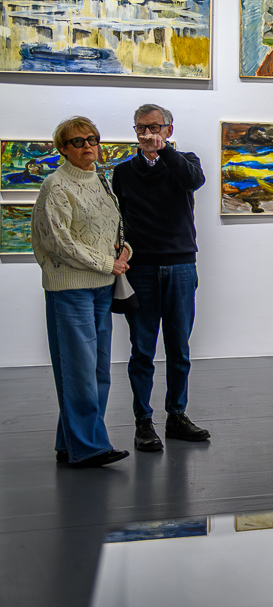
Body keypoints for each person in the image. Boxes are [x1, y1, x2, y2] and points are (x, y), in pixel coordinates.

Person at [31, 117, 131, 468]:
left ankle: (72, 442)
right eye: (78, 141)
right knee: (78, 371)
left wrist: (123, 252)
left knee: (98, 370)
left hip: (102, 286)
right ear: (62, 148)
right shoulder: (55, 186)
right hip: (71, 289)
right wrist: (107, 263)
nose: (88, 145)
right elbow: (58, 242)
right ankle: (89, 447)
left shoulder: (100, 180)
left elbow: (112, 228)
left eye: (92, 139)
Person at [111, 104, 210, 451]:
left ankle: (177, 415)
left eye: (154, 127)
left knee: (179, 348)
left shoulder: (185, 162)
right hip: (141, 269)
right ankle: (143, 421)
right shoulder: (123, 172)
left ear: (169, 129)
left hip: (180, 266)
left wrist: (164, 152)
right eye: (141, 128)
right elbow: (118, 219)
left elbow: (192, 181)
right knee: (142, 350)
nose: (147, 134)